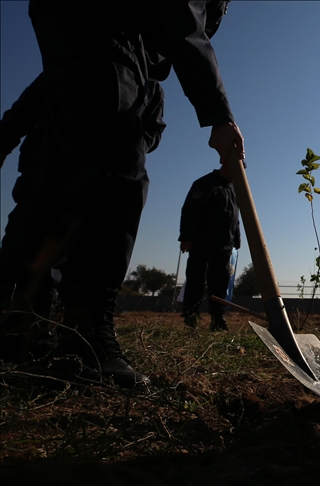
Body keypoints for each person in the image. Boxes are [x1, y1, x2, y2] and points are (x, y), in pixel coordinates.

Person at [0, 1, 243, 388]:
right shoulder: (204, 184)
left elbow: (150, 126)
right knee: (113, 187)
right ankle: (84, 342)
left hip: (70, 31)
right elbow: (181, 16)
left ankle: (22, 336)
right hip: (103, 34)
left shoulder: (128, 77)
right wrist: (217, 114)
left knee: (53, 196)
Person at [0, 73, 165, 365]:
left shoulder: (151, 88)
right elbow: (27, 106)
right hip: (50, 169)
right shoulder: (77, 59)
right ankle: (23, 338)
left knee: (92, 255)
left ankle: (80, 340)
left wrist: (133, 141)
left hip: (109, 178)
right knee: (32, 247)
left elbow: (154, 130)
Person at [178, 164, 241, 332]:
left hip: (224, 246)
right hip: (201, 243)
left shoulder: (234, 188)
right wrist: (186, 237)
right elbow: (189, 211)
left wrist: (237, 237)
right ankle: (191, 319)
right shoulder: (204, 183)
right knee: (196, 281)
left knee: (220, 283)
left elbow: (235, 215)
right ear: (227, 167)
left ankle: (217, 319)